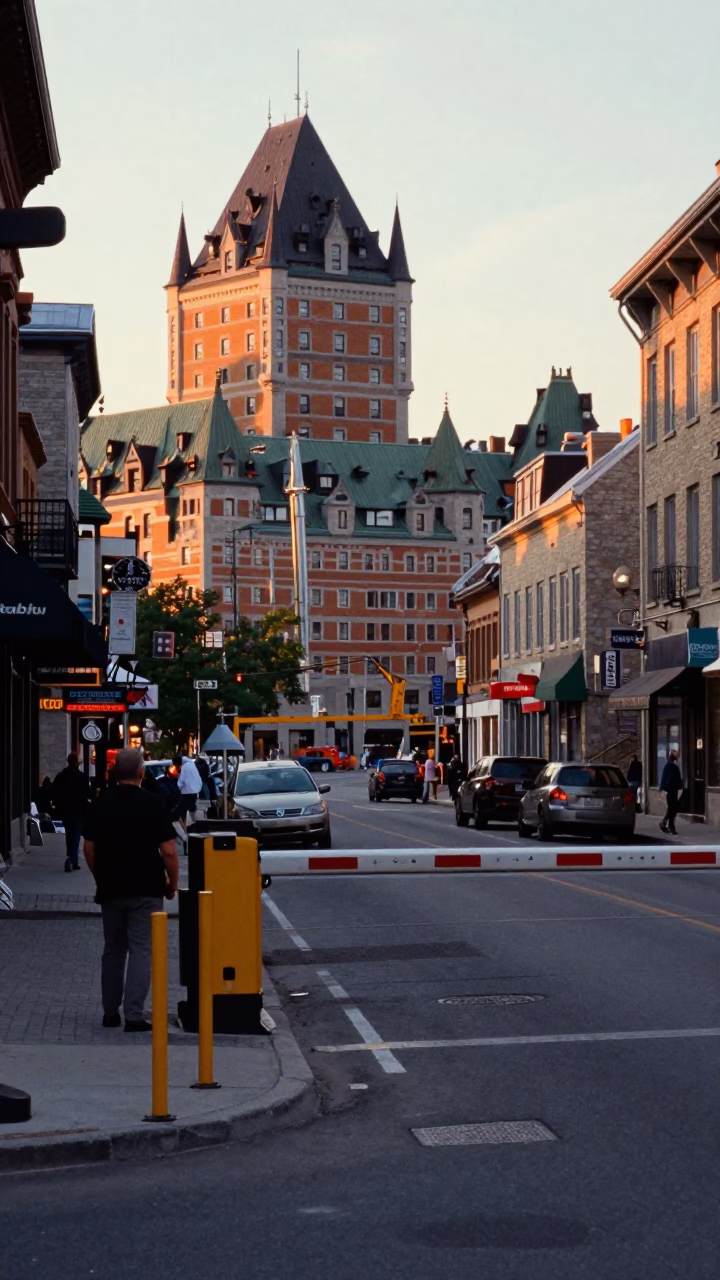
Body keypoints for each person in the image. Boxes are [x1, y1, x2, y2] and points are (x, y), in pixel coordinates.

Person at [83, 749, 178, 1031]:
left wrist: (99, 875)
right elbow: (169, 851)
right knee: (141, 950)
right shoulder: (153, 803)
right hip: (146, 888)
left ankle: (110, 1013)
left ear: (113, 773)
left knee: (113, 950)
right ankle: (134, 1015)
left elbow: (89, 848)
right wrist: (171, 884)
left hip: (111, 888)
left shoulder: (100, 804)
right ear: (141, 773)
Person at [52, 752, 90, 872]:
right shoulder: (82, 777)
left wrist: (57, 804)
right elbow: (86, 793)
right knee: (76, 834)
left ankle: (72, 858)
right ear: (77, 762)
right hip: (78, 810)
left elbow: (55, 791)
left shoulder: (61, 776)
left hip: (65, 810)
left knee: (69, 833)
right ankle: (72, 859)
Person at [174, 753, 203, 828]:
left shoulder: (184, 767)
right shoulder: (191, 764)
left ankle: (189, 826)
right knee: (191, 808)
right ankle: (194, 825)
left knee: (180, 811)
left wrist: (177, 789)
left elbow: (181, 781)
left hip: (187, 792)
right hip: (194, 790)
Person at [659, 751, 683, 836]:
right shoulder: (670, 766)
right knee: (672, 808)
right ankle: (669, 825)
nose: (678, 758)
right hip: (670, 789)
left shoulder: (672, 766)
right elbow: (666, 777)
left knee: (673, 808)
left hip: (673, 789)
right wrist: (663, 788)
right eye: (677, 756)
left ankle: (667, 824)